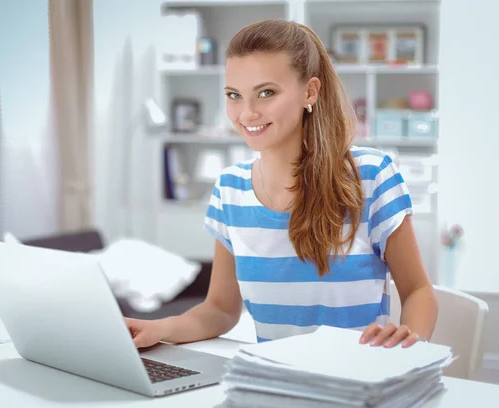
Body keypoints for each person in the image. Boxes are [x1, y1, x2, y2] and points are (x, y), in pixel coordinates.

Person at [125, 20, 437, 350]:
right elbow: (219, 310)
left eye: (266, 93)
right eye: (234, 95)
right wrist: (159, 328)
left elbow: (418, 290)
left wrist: (410, 344)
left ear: (310, 91)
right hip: (273, 387)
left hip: (357, 389)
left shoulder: (372, 176)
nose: (246, 113)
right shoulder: (230, 190)